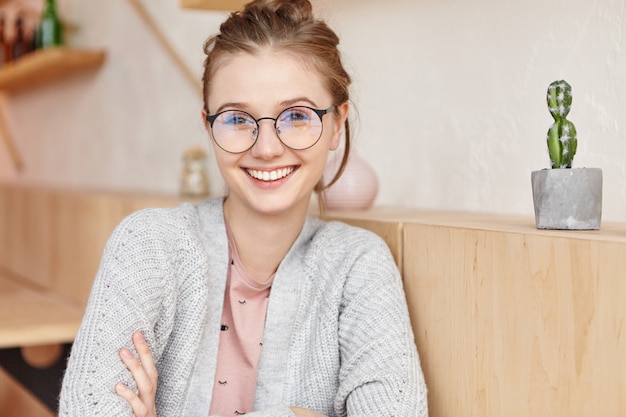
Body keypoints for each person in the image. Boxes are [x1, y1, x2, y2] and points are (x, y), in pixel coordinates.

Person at [58, 0, 428, 416]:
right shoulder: (148, 244)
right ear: (208, 126)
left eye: (297, 116)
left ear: (336, 125)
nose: (267, 148)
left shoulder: (358, 266)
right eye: (237, 119)